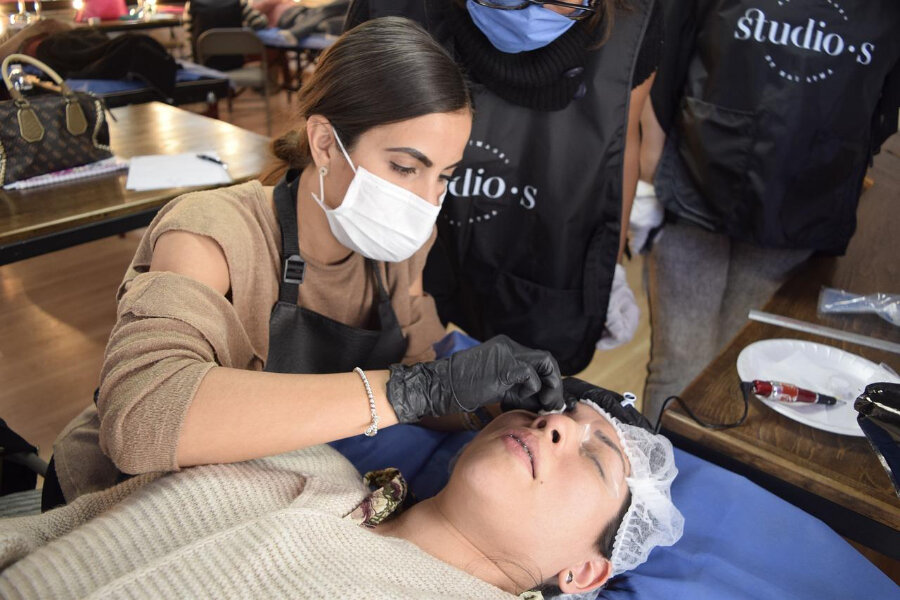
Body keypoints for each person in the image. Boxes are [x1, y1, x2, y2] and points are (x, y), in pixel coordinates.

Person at [42, 17, 564, 511]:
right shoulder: (212, 234)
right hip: (119, 502)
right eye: (406, 167)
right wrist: (414, 389)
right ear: (324, 144)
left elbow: (421, 384)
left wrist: (496, 400)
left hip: (255, 496)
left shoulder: (400, 246)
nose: (427, 201)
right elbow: (141, 420)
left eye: (445, 176)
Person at [0, 389, 683, 599]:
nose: (558, 424)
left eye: (595, 459)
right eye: (551, 414)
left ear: (586, 572)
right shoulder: (312, 464)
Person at [345, 0, 662, 374]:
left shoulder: (631, 24)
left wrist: (607, 262)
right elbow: (346, 127)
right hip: (405, 254)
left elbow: (620, 144)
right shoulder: (394, 9)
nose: (531, 10)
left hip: (544, 261)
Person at [635, 0, 900, 421]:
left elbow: (881, 109)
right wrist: (648, 177)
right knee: (681, 365)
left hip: (796, 202)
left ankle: (695, 478)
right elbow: (660, 59)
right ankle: (651, 477)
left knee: (735, 366)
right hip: (697, 182)